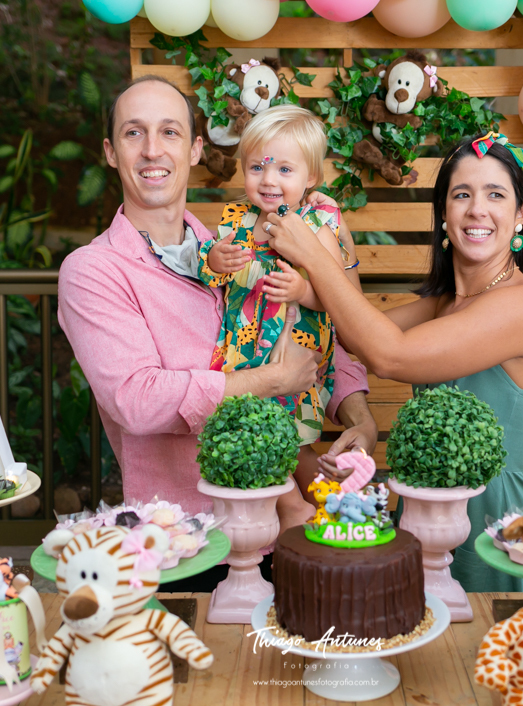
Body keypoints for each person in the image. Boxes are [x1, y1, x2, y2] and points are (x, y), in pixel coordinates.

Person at [57, 76, 377, 551]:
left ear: (194, 150)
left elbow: (316, 329)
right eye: (133, 133)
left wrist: (359, 415)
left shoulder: (234, 247)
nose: (151, 150)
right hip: (189, 537)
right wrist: (272, 380)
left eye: (169, 132)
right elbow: (137, 400)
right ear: (110, 151)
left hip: (284, 527)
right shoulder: (94, 270)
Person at [266, 131, 523, 592]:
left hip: (495, 527)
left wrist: (311, 255)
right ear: (444, 213)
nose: (477, 209)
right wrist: (340, 254)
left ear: (521, 214)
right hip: (423, 510)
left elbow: (388, 355)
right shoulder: (447, 302)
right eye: (461, 194)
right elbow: (354, 335)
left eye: (496, 195)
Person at [198, 104, 363, 528]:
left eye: (284, 170)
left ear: (311, 178)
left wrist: (305, 290)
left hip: (295, 354)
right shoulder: (236, 219)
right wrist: (214, 259)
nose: (268, 180)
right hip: (241, 354)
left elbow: (340, 298)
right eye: (257, 167)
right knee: (253, 432)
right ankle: (322, 507)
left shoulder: (317, 223)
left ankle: (314, 506)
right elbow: (211, 275)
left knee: (291, 439)